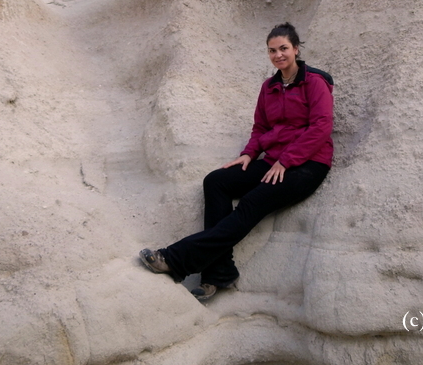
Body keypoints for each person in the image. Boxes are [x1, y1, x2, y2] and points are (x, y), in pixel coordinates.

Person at [139, 22, 334, 301]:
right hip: (274, 160)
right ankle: (220, 272)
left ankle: (174, 259)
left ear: (296, 49)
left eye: (284, 49)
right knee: (217, 181)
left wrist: (287, 161)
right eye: (272, 50)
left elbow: (321, 127)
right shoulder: (269, 87)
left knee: (252, 202)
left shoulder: (314, 82)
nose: (278, 55)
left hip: (308, 165)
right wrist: (248, 154)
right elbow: (260, 127)